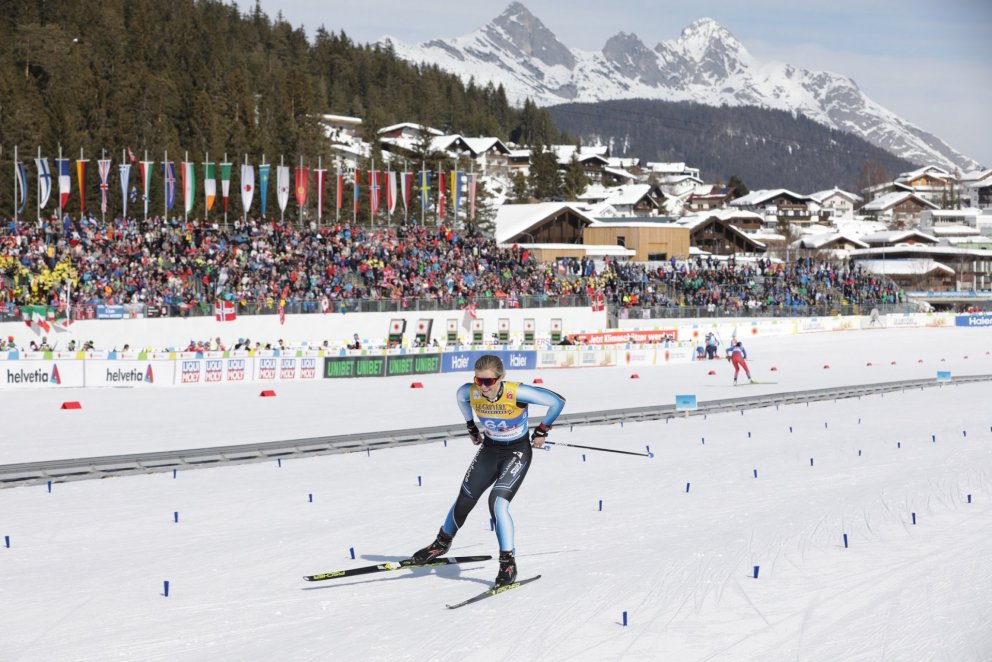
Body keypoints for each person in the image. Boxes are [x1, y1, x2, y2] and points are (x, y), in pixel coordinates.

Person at [411, 354, 566, 587]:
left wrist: (542, 430)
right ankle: (441, 543)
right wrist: (471, 426)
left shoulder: (517, 392)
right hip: (490, 450)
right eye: (478, 380)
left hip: (516, 452)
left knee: (497, 502)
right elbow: (460, 398)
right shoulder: (470, 391)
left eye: (489, 382)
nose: (483, 387)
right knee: (465, 498)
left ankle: (508, 562)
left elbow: (558, 401)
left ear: (500, 378)